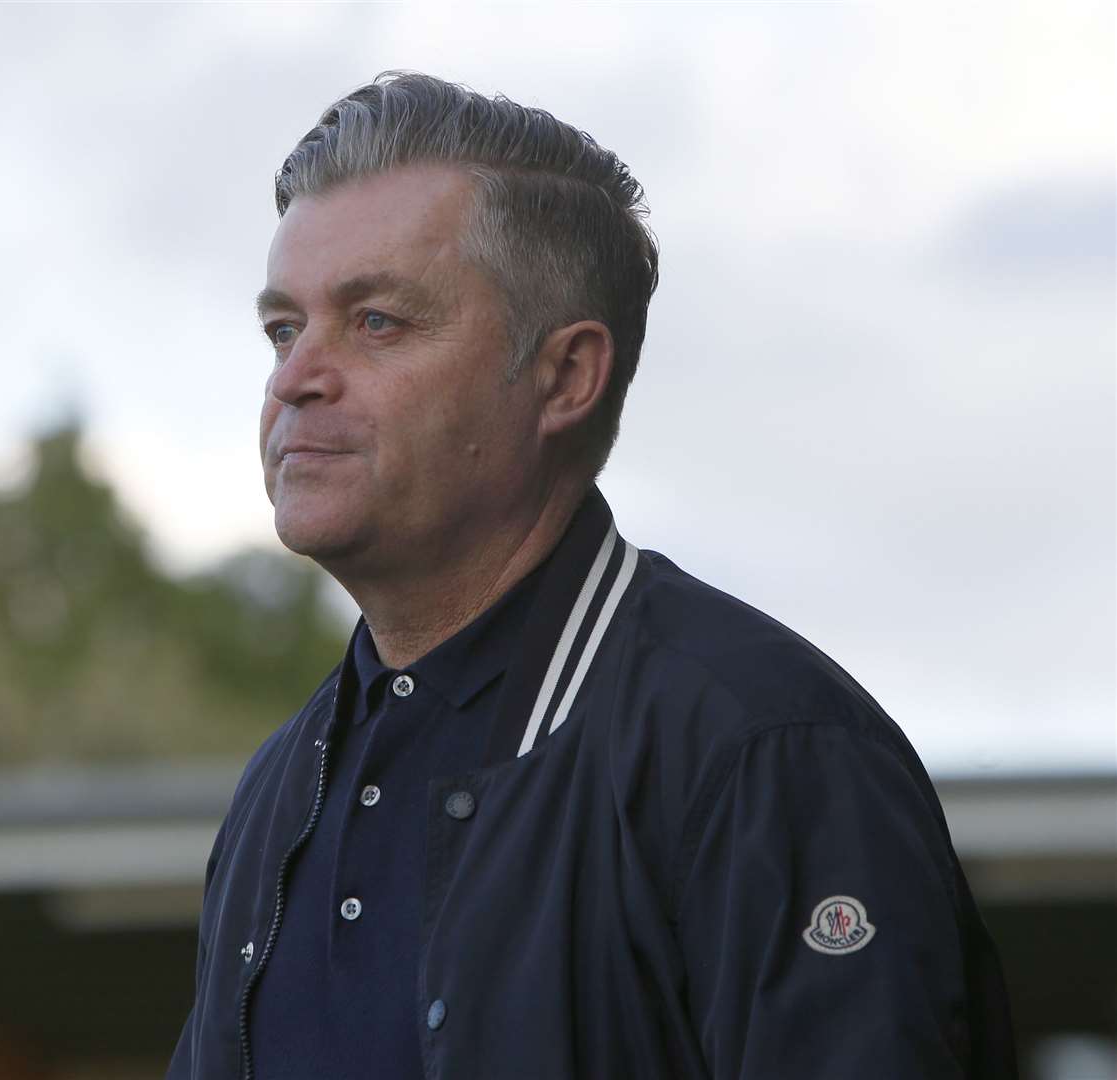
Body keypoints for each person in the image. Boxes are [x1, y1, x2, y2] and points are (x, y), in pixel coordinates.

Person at [169, 72, 1017, 1079]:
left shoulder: (761, 752)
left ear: (565, 376)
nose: (294, 378)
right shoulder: (282, 789)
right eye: (282, 327)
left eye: (377, 322)